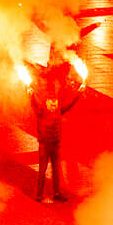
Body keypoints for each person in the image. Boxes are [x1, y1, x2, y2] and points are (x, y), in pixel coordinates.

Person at [31, 59, 83, 203]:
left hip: (55, 144)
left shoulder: (59, 110)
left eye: (55, 102)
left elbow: (70, 103)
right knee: (42, 171)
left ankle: (57, 192)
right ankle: (39, 195)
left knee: (56, 170)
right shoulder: (41, 111)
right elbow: (34, 102)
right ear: (47, 103)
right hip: (44, 145)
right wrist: (30, 93)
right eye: (51, 102)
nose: (54, 104)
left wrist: (79, 92)